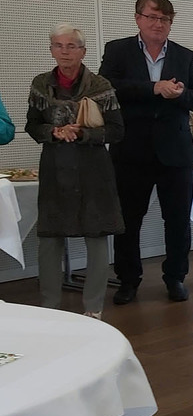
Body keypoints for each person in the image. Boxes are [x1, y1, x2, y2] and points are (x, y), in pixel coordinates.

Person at [99, 0, 193, 304]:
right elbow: (106, 89)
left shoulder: (185, 56)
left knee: (177, 220)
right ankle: (128, 280)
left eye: (165, 19)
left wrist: (180, 94)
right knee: (128, 220)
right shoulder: (117, 50)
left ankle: (176, 277)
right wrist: (153, 88)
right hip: (131, 150)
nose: (158, 24)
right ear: (138, 19)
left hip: (176, 151)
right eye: (152, 17)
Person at [25, 24, 125, 320]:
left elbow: (117, 131)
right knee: (50, 238)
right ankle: (50, 308)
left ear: (83, 51)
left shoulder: (101, 86)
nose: (64, 52)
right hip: (55, 167)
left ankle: (93, 309)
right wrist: (54, 131)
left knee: (96, 236)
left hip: (93, 169)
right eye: (58, 45)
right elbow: (32, 125)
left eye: (71, 46)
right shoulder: (40, 84)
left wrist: (82, 133)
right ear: (51, 50)